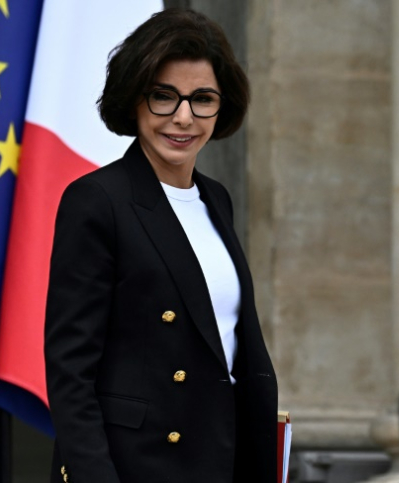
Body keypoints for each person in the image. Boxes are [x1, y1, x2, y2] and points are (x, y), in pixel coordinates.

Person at [44, 8, 277, 483]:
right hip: (139, 464)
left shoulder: (217, 198)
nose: (184, 117)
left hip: (221, 456)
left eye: (202, 99)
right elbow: (71, 369)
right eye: (163, 97)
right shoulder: (97, 201)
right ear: (134, 100)